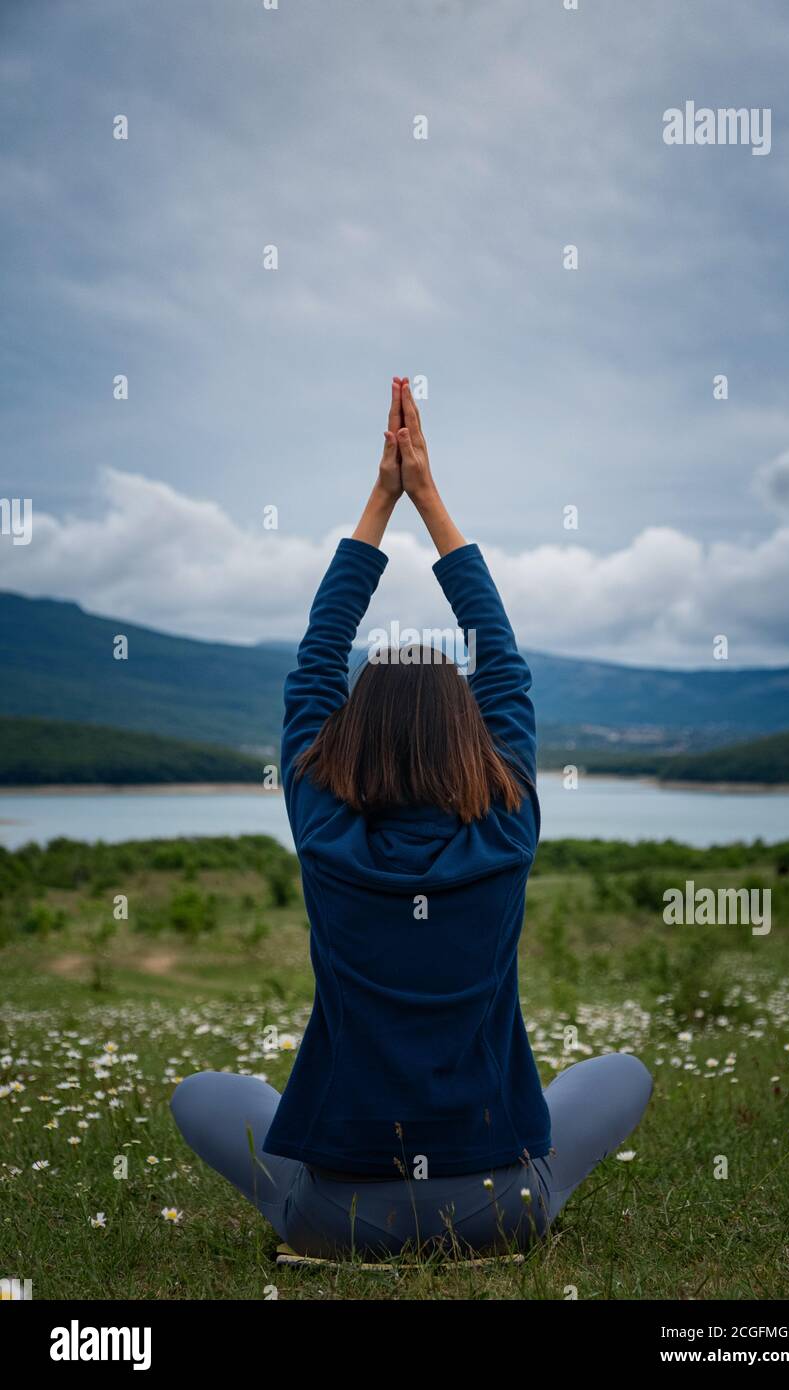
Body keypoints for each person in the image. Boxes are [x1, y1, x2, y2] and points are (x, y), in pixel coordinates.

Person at [172, 378, 652, 1258]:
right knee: (623, 1073)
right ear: (474, 735)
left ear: (344, 739)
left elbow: (316, 666)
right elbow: (501, 665)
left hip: (336, 1220)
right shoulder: (504, 834)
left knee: (203, 1091)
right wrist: (428, 497)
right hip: (500, 1208)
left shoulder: (325, 834)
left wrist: (380, 500)